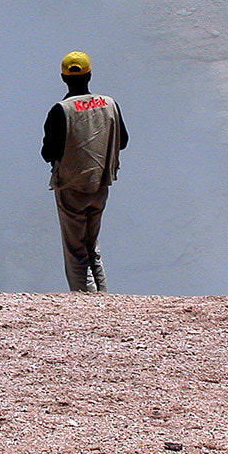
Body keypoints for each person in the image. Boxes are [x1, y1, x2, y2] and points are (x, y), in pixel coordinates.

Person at [41, 50, 128, 293]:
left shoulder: (61, 110)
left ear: (63, 78)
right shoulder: (110, 104)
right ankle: (102, 295)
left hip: (71, 187)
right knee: (92, 246)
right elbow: (123, 141)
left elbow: (49, 152)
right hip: (100, 184)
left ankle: (86, 300)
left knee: (75, 250)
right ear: (89, 75)